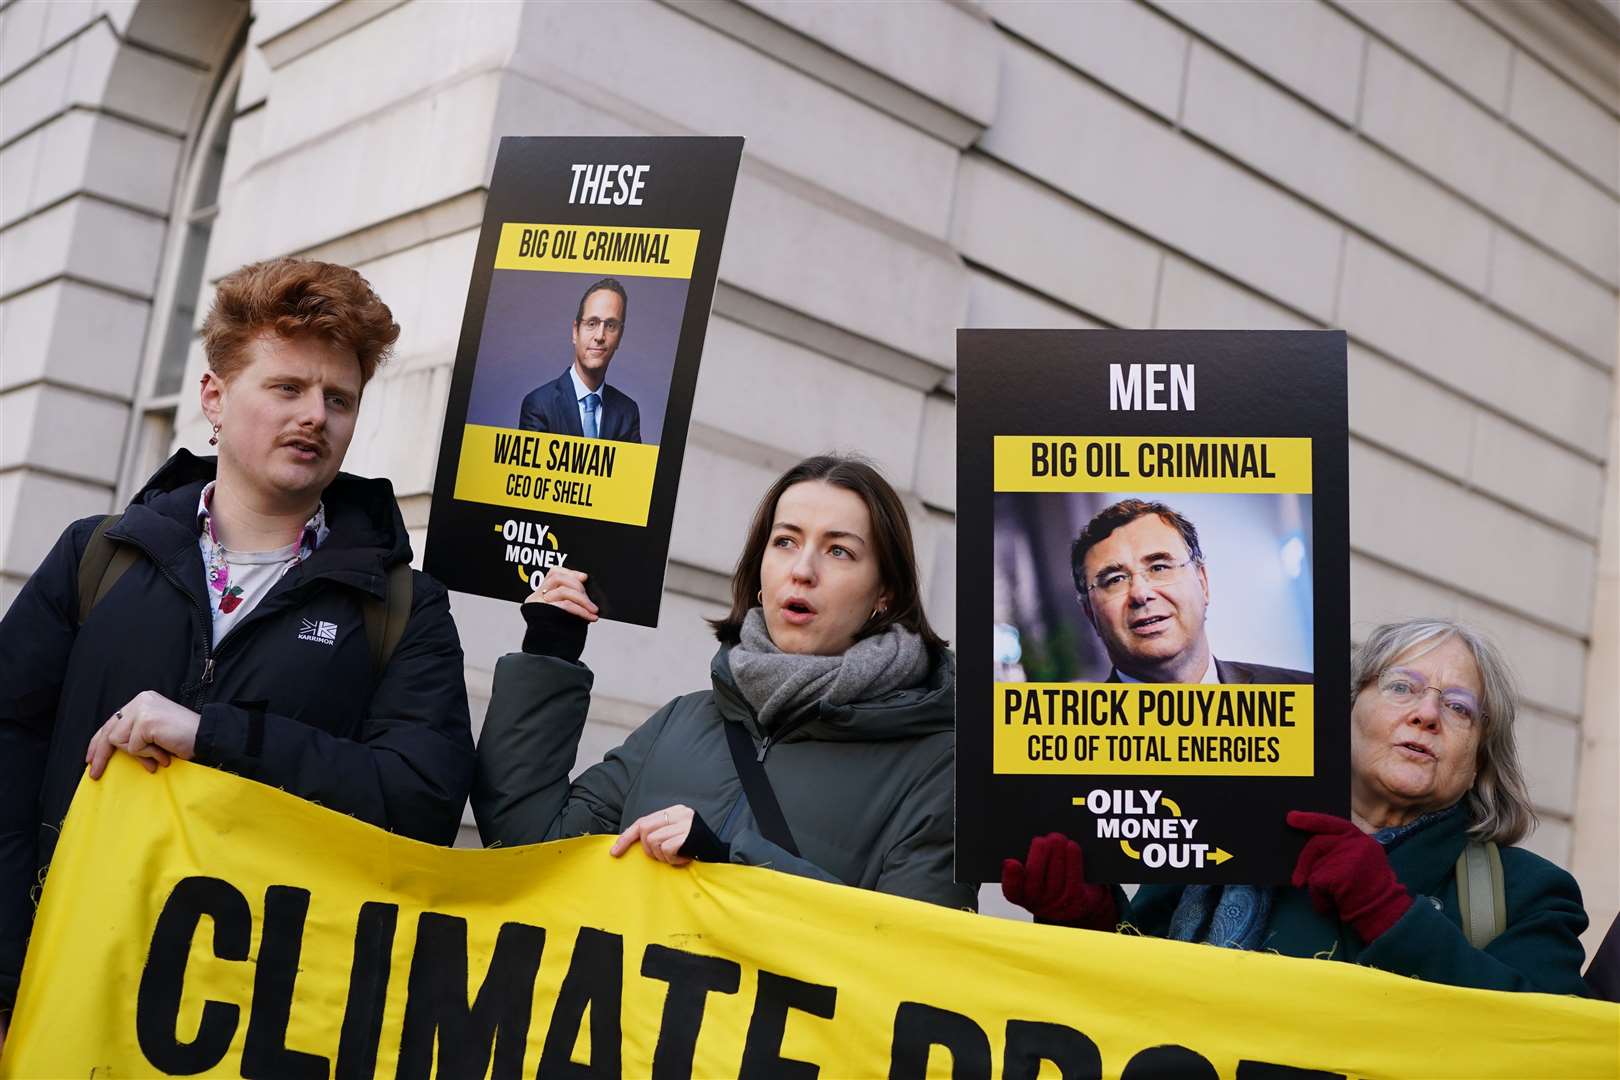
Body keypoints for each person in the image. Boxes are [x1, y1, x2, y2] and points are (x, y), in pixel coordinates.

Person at [0, 258, 476, 1038]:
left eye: (339, 399)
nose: (315, 417)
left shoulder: (402, 609)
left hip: (256, 1025)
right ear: (214, 397)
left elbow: (418, 803)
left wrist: (219, 738)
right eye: (287, 388)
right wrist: (9, 973)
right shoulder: (97, 560)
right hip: (60, 985)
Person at [473, 454, 974, 910]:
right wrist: (548, 651)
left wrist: (732, 865)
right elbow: (527, 847)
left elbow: (911, 962)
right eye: (785, 542)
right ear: (760, 571)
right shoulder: (681, 722)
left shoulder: (939, 766)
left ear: (884, 592)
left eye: (839, 551)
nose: (802, 570)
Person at [1002, 618, 1591, 996]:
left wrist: (1388, 914)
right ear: (1345, 710)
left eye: (1459, 707)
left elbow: (1554, 1050)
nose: (1427, 715)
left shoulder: (1530, 895)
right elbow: (1128, 995)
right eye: (1401, 687)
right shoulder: (1223, 837)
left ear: (1483, 758)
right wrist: (1083, 920)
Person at [1071, 498, 1309, 684]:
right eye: (1115, 580)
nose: (1140, 594)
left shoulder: (1309, 696)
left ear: (1202, 582)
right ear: (1090, 613)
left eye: (1159, 567)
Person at [518, 277, 641, 442]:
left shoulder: (628, 412)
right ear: (575, 332)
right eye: (592, 323)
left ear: (620, 336)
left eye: (610, 325)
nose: (599, 336)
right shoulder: (539, 405)